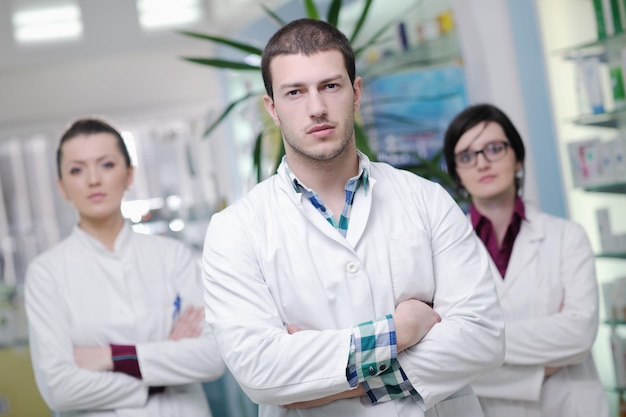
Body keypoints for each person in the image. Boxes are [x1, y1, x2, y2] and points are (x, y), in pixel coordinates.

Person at [201, 18, 505, 417]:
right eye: (295, 92)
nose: (317, 108)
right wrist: (402, 330)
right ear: (272, 108)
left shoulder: (425, 198)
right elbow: (261, 372)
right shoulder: (235, 230)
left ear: (355, 92)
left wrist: (328, 387)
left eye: (331, 86)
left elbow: (483, 337)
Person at [25, 118, 225, 417]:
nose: (93, 179)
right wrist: (163, 367)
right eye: (77, 169)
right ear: (62, 186)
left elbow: (212, 358)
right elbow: (60, 390)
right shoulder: (45, 273)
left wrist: (113, 357)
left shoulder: (173, 256)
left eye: (106, 165)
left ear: (129, 174)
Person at [442, 103, 610, 417]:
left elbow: (580, 333)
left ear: (517, 157)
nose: (482, 163)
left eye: (494, 148)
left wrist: (481, 341)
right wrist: (540, 367)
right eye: (466, 156)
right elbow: (447, 355)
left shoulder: (567, 237)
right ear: (457, 173)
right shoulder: (444, 252)